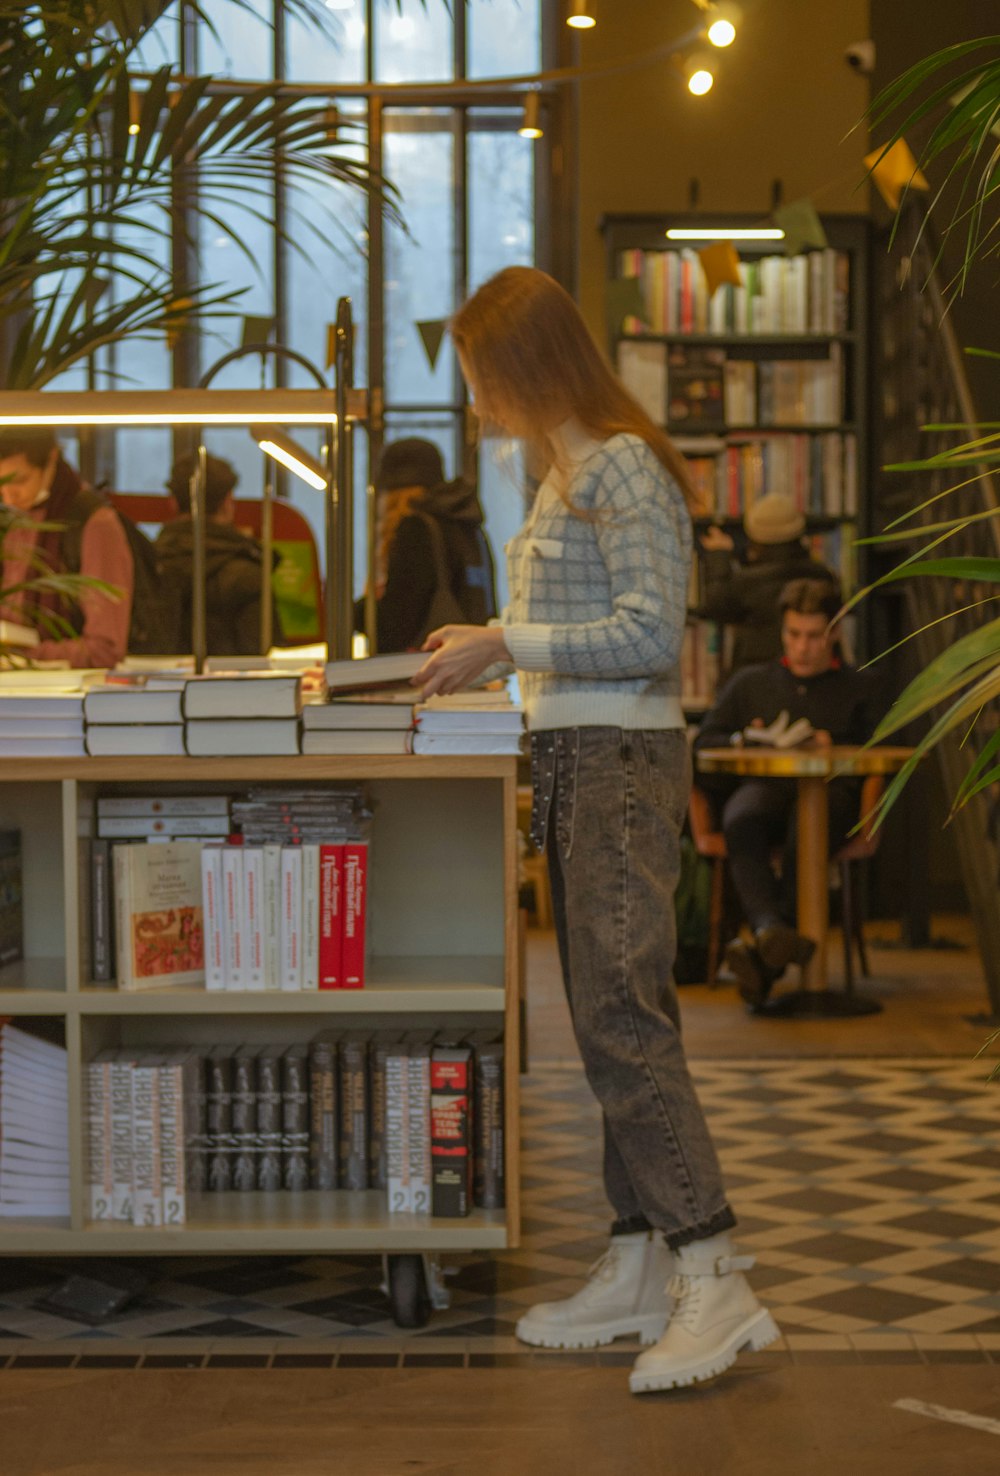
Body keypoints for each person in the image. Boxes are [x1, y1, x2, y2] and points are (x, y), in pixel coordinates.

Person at [414, 265, 778, 1395]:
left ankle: (713, 1271)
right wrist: (489, 641)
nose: (476, 403)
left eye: (482, 378)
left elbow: (648, 632)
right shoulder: (559, 468)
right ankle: (634, 1262)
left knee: (621, 1015)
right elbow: (571, 627)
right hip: (580, 756)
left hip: (620, 757)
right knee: (599, 1014)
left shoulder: (619, 466)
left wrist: (502, 646)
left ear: (526, 366)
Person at [694, 578, 883, 1008]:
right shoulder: (750, 683)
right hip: (766, 790)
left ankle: (766, 953)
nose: (803, 647)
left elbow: (884, 750)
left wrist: (833, 745)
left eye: (814, 635)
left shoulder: (862, 687)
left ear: (835, 632)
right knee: (742, 815)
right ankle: (769, 933)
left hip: (834, 796)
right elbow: (705, 743)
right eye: (793, 634)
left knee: (809, 828)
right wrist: (744, 739)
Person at [0, 430, 134, 667]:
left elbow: (105, 648)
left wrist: (26, 656)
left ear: (51, 459)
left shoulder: (93, 523)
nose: (9, 497)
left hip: (74, 695)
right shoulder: (13, 522)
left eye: (20, 481)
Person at [355, 437, 497, 653]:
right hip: (471, 661)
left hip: (429, 670)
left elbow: (396, 627)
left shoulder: (416, 528)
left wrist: (364, 608)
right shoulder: (467, 524)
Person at [695, 491, 839, 674]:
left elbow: (715, 606)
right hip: (818, 675)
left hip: (757, 678)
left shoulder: (746, 581)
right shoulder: (822, 576)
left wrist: (718, 557)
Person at [156, 453, 283, 657]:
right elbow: (263, 659)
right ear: (228, 501)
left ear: (172, 502)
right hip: (232, 688)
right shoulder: (248, 576)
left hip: (158, 686)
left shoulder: (150, 566)